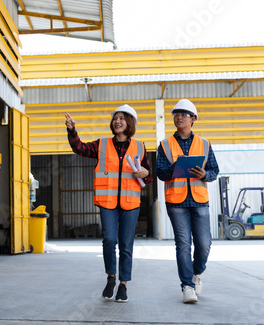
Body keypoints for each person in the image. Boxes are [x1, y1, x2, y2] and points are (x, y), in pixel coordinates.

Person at [65, 105, 152, 303]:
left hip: (130, 201)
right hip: (108, 201)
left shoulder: (139, 146)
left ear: (129, 123)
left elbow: (149, 174)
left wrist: (145, 173)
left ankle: (124, 285)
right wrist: (72, 131)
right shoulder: (102, 144)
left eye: (122, 118)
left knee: (126, 245)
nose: (117, 121)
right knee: (110, 240)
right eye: (115, 118)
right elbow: (81, 148)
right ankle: (111, 277)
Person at [156, 99, 219, 304]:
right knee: (183, 244)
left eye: (184, 114)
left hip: (199, 200)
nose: (179, 117)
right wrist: (175, 167)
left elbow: (214, 171)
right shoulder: (165, 145)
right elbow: (161, 173)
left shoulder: (205, 143)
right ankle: (187, 286)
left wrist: (204, 174)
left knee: (204, 244)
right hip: (176, 201)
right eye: (176, 114)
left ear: (193, 119)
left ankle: (197, 273)